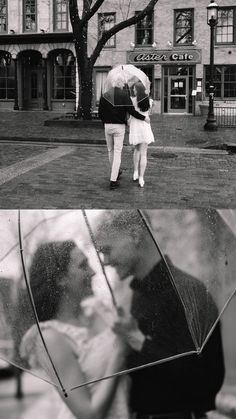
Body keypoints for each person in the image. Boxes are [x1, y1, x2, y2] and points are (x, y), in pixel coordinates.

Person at [94, 210, 225, 419]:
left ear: (135, 235)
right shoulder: (138, 295)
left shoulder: (187, 291)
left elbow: (205, 380)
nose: (104, 261)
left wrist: (138, 341)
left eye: (106, 250)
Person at [20, 240, 130, 419]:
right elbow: (88, 414)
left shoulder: (98, 309)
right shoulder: (49, 338)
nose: (93, 272)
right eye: (83, 265)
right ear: (61, 279)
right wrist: (119, 354)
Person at [98, 82, 150, 190]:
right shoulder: (124, 95)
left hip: (107, 126)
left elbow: (100, 113)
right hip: (119, 127)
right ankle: (113, 180)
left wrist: (105, 123)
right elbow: (131, 111)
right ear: (120, 84)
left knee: (110, 150)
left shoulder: (105, 95)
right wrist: (143, 118)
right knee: (117, 152)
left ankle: (115, 172)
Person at [129, 82, 154, 187]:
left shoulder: (132, 101)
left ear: (137, 90)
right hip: (144, 127)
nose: (133, 91)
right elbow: (149, 114)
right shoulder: (150, 101)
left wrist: (129, 121)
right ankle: (141, 178)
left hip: (135, 127)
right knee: (144, 153)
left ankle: (135, 172)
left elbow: (132, 114)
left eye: (134, 89)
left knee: (137, 150)